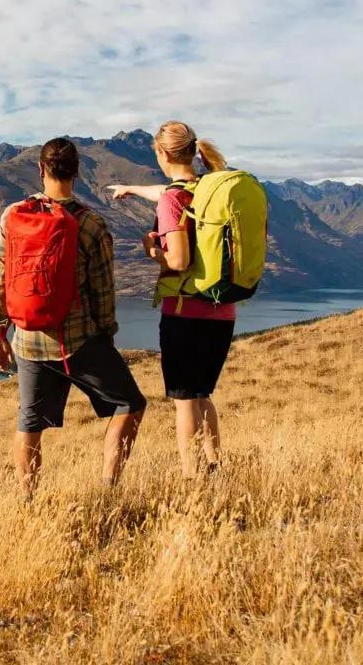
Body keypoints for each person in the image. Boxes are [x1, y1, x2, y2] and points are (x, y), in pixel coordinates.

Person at [0, 137, 146, 499]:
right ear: (78, 172)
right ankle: (108, 487)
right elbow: (104, 292)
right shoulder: (90, 223)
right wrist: (105, 335)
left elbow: (0, 280)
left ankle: (28, 500)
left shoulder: (12, 216)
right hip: (77, 342)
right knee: (130, 403)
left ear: (41, 170)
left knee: (29, 423)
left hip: (26, 338)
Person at [107, 121, 235, 479]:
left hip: (185, 312)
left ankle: (191, 478)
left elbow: (178, 260)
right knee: (202, 393)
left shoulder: (172, 200)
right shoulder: (208, 188)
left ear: (161, 154)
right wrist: (131, 189)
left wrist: (152, 251)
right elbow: (168, 190)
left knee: (183, 399)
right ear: (194, 152)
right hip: (222, 311)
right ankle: (214, 466)